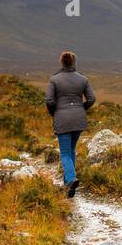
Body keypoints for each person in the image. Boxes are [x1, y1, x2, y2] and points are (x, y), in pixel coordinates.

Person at [45, 50, 95, 197]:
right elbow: (91, 99)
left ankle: (71, 179)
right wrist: (81, 109)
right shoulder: (83, 79)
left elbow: (49, 100)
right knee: (71, 150)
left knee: (66, 152)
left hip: (62, 119)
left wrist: (54, 113)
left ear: (62, 62)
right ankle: (70, 186)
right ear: (74, 62)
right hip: (79, 119)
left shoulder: (54, 79)